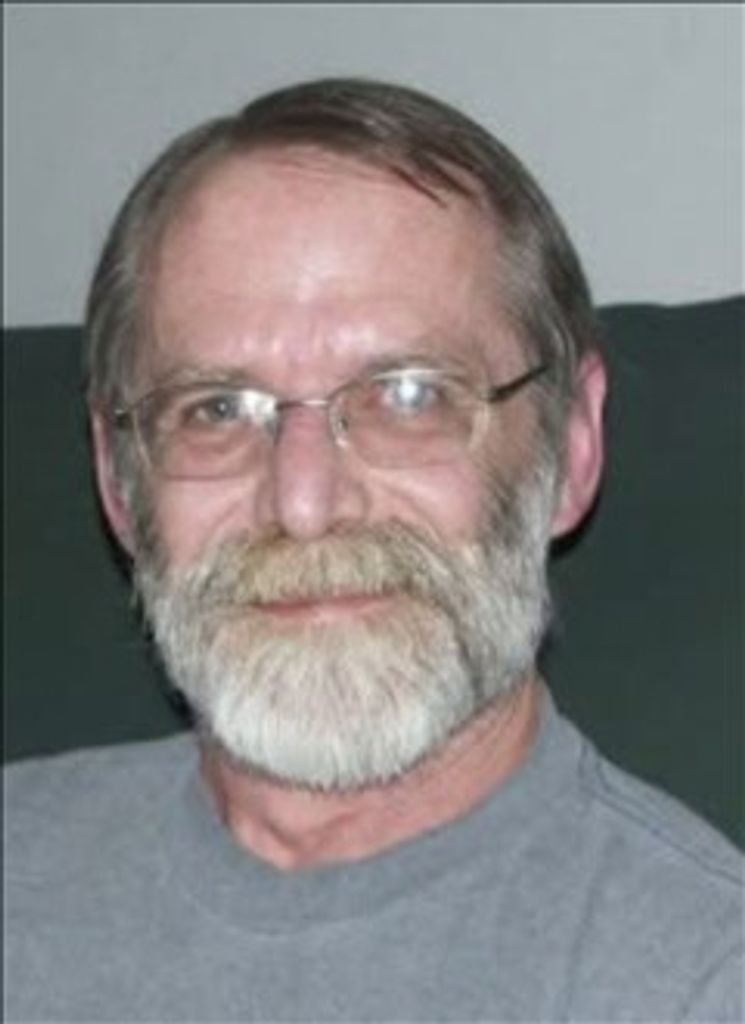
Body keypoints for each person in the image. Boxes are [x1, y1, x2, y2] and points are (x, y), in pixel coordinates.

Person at [5, 77, 742, 1023]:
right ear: (118, 478)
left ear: (570, 448)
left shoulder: (700, 980)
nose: (304, 503)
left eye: (407, 396)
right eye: (217, 409)